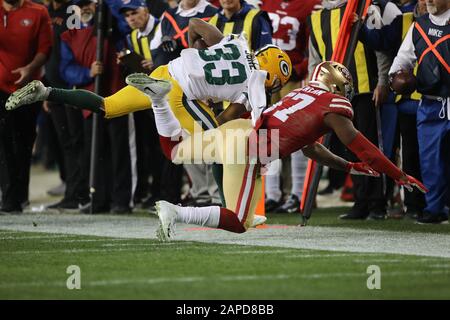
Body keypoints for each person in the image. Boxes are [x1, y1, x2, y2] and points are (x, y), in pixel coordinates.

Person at [130, 61, 426, 241]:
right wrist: (398, 174)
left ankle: (159, 101)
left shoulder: (301, 94)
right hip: (252, 146)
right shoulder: (334, 107)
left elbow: (311, 150)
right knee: (238, 223)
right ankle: (176, 212)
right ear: (337, 85)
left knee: (174, 150)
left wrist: (349, 168)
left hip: (241, 130)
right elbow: (365, 148)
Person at [389, 0, 449, 224]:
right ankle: (435, 209)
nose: (429, 0)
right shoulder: (419, 25)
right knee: (431, 162)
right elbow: (403, 59)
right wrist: (396, 77)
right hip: (430, 103)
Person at [261, 0, 321, 213]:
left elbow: (313, 46)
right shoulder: (264, 4)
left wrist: (299, 69)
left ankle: (298, 193)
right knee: (266, 135)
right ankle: (271, 193)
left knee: (297, 135)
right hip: (265, 79)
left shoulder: (309, 5)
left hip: (293, 78)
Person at [0, 0, 52, 213]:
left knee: (23, 141)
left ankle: (20, 197)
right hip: (0, 87)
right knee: (3, 142)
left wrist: (30, 68)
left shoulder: (38, 11)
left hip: (28, 89)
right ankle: (10, 198)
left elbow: (46, 48)